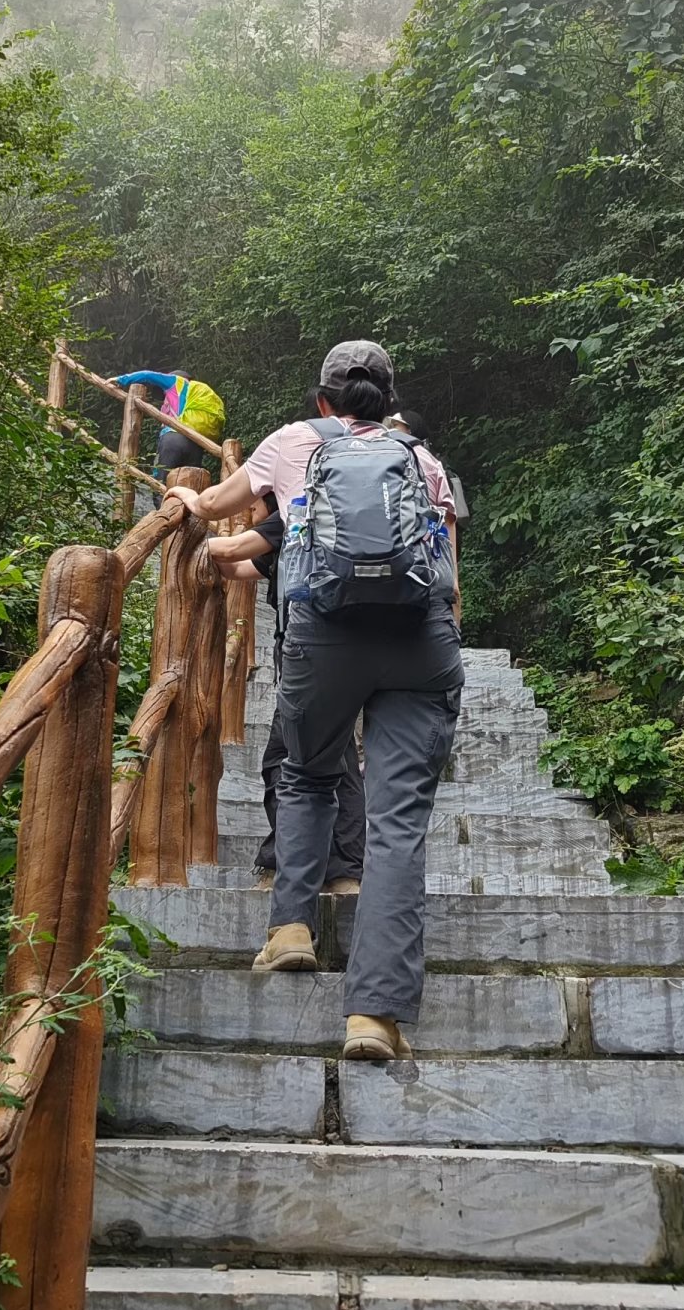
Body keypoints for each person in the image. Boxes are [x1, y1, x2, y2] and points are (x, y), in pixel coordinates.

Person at [169, 339, 463, 1066]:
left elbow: (211, 505)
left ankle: (290, 930)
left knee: (306, 770)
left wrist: (183, 497)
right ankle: (374, 1013)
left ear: (324, 398)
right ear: (388, 400)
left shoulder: (290, 443)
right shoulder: (421, 460)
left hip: (324, 635)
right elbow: (448, 575)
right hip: (418, 640)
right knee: (397, 827)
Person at [208, 497, 366, 895]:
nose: (250, 514)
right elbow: (236, 568)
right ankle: (345, 872)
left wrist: (191, 519)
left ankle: (282, 866)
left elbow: (228, 552)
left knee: (283, 760)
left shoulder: (290, 518)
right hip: (345, 658)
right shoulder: (303, 530)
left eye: (253, 505)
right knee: (341, 758)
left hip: (311, 663)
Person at [390, 404, 470, 562]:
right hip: (436, 548)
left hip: (419, 543)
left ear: (409, 429)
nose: (389, 430)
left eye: (395, 425)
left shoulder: (418, 460)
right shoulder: (432, 460)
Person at [112, 367, 226, 476]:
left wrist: (121, 380)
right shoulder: (196, 393)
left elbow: (148, 375)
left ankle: (157, 496)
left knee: (161, 482)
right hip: (196, 443)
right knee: (188, 486)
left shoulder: (175, 382)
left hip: (173, 439)